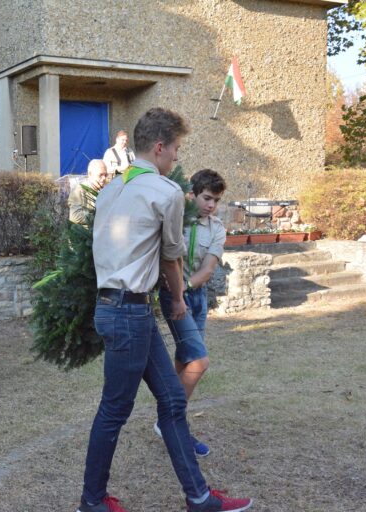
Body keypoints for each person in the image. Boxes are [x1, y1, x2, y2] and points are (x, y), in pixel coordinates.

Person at [78, 109, 252, 512]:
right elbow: (172, 258)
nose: (176, 157)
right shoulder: (166, 191)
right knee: (114, 410)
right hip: (129, 314)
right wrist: (176, 300)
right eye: (175, 149)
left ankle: (199, 497)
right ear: (159, 147)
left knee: (172, 399)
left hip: (117, 309)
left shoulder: (110, 189)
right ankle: (91, 502)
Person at [155, 169, 227, 458]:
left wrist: (185, 287)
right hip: (174, 297)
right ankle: (171, 423)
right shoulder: (176, 219)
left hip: (197, 298)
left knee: (185, 358)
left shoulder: (217, 228)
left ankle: (168, 420)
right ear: (192, 194)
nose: (211, 205)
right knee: (199, 361)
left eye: (216, 201)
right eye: (207, 198)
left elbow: (208, 269)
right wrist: (176, 293)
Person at [69, 159, 108, 225]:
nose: (104, 178)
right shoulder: (79, 190)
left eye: (105, 175)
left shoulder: (107, 189)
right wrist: (99, 217)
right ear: (90, 174)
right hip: (87, 230)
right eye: (100, 175)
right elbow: (75, 216)